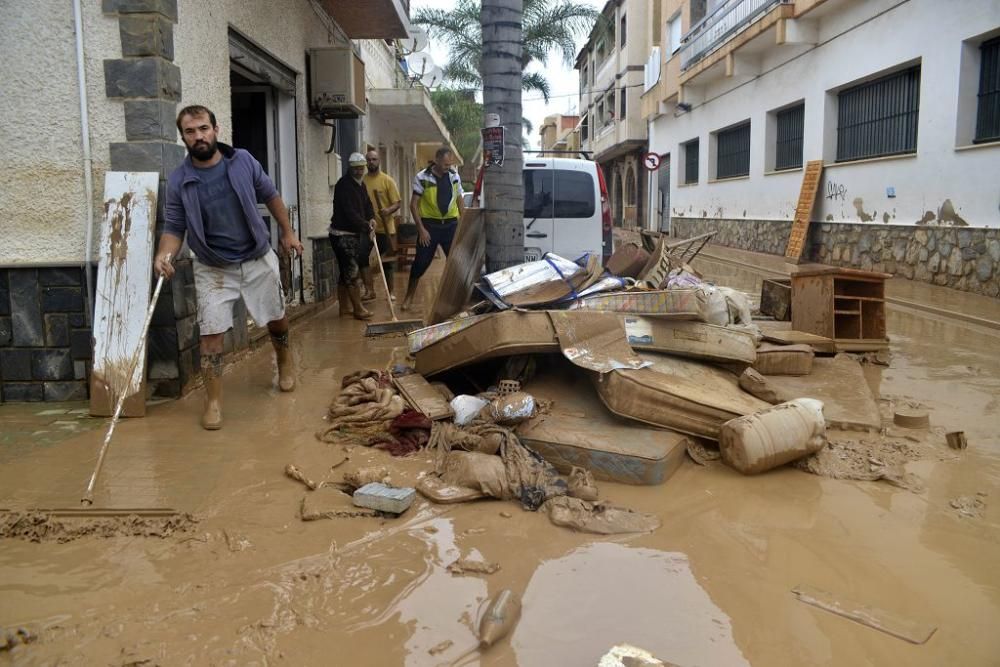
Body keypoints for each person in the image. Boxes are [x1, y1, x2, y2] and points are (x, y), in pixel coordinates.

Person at [154, 105, 303, 431]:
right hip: (212, 267)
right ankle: (214, 401)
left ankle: (284, 362)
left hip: (256, 256)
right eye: (191, 132)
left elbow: (271, 195)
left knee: (276, 319)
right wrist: (164, 255)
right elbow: (174, 227)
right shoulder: (180, 179)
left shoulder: (243, 161)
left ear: (216, 130)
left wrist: (288, 233)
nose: (199, 136)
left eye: (203, 128)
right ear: (183, 138)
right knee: (210, 336)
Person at [401, 146, 465, 311]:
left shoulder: (454, 176)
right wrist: (421, 229)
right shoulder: (422, 177)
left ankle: (457, 300)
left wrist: (463, 224)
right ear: (436, 160)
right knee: (420, 264)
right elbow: (413, 205)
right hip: (430, 227)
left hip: (451, 226)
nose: (447, 167)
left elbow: (459, 200)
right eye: (445, 164)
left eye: (450, 164)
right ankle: (409, 297)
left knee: (456, 264)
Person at [330, 153, 377, 320]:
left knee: (345, 273)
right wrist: (365, 226)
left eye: (361, 168)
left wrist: (371, 218)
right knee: (352, 272)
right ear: (350, 168)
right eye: (356, 168)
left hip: (353, 234)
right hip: (341, 235)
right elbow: (350, 213)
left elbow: (367, 204)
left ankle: (344, 309)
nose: (359, 171)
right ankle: (358, 309)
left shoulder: (361, 185)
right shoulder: (343, 186)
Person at [362, 149, 402, 301]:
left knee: (387, 262)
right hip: (367, 228)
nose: (371, 162)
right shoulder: (363, 181)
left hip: (385, 228)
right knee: (362, 258)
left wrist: (387, 210)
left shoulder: (387, 180)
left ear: (379, 161)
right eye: (369, 159)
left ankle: (390, 292)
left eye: (374, 159)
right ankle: (369, 290)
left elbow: (397, 203)